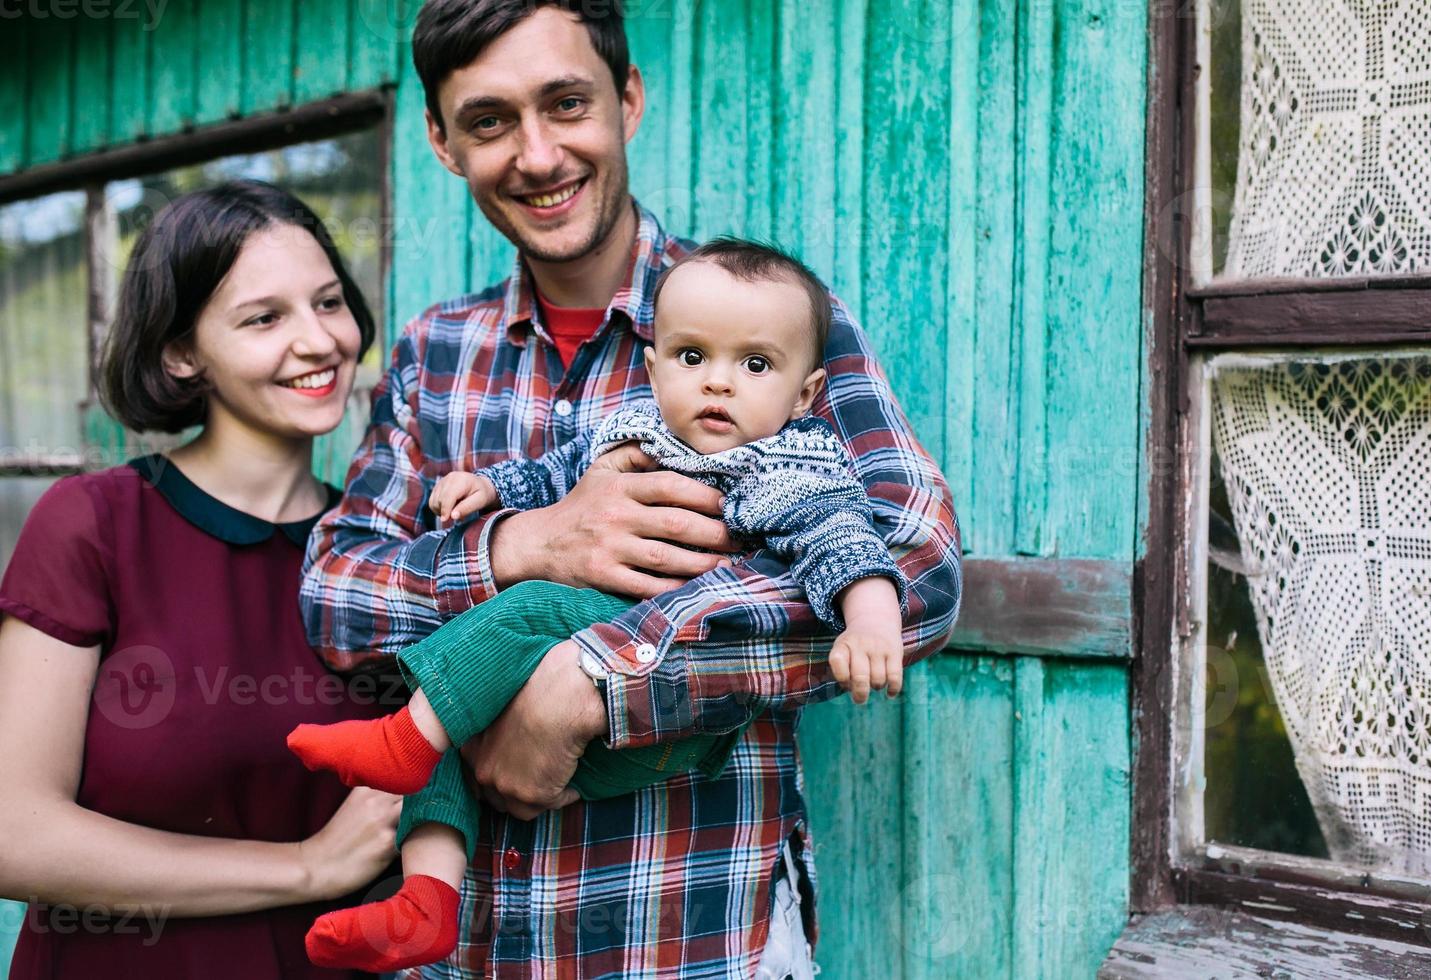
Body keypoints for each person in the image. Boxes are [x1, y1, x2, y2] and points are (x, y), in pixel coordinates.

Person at [300, 2, 963, 977]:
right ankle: (424, 897)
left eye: (566, 102)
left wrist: (596, 682)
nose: (536, 154)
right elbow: (336, 592)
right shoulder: (433, 352)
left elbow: (916, 567)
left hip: (686, 938)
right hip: (467, 956)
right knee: (428, 713)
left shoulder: (769, 321)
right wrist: (519, 546)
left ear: (628, 99)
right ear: (441, 143)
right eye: (488, 120)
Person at [287, 239, 909, 972]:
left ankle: (402, 740)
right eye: (691, 359)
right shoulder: (639, 428)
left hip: (665, 742)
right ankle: (428, 901)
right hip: (555, 772)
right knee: (451, 733)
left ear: (805, 395)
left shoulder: (782, 463)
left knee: (524, 615)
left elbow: (847, 538)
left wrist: (869, 617)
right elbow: (558, 471)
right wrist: (498, 497)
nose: (718, 385)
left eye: (754, 366)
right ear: (653, 370)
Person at [0, 181, 401, 978]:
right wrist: (307, 867)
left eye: (329, 303)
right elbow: (14, 833)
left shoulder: (384, 552)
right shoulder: (94, 525)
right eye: (265, 318)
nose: (319, 341)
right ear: (183, 353)